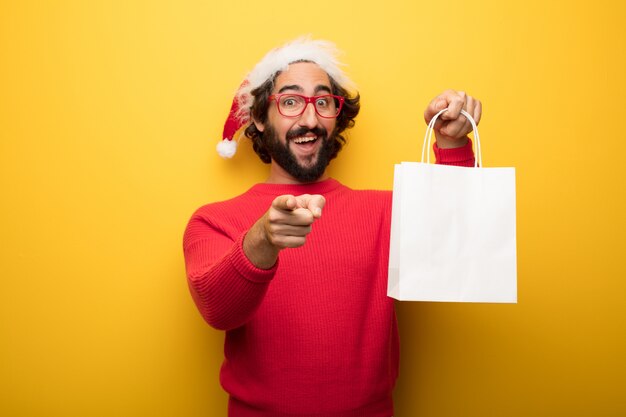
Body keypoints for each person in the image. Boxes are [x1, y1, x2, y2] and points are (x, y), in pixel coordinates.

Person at [183, 37, 481, 417]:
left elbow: (456, 246)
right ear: (258, 117)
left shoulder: (385, 212)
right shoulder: (213, 221)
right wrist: (262, 240)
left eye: (323, 102)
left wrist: (452, 142)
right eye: (290, 102)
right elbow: (217, 311)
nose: (310, 119)